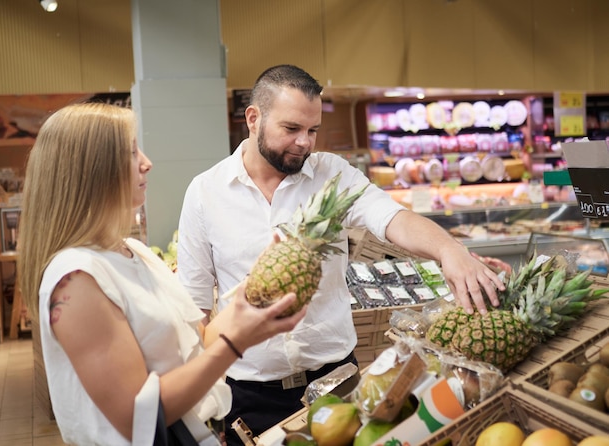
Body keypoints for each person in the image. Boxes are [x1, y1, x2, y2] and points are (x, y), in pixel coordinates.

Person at [176, 64, 506, 444]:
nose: (305, 142)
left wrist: (449, 249)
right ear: (254, 118)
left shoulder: (331, 174)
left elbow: (392, 218)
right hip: (248, 394)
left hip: (338, 383)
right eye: (291, 129)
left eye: (313, 130)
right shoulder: (205, 193)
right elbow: (195, 308)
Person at [17, 102, 306, 446]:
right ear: (89, 171)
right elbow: (136, 417)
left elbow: (196, 344)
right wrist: (235, 343)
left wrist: (250, 298)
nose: (146, 162)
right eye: (130, 151)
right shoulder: (77, 279)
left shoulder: (132, 251)